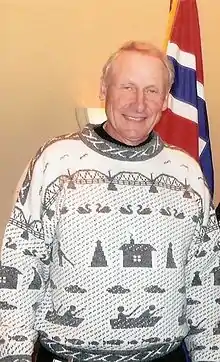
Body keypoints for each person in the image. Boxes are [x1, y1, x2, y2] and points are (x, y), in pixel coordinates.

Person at [0, 40, 220, 362]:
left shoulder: (187, 172)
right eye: (127, 87)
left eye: (152, 91)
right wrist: (13, 355)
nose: (139, 103)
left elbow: (207, 276)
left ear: (164, 102)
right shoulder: (55, 161)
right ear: (104, 88)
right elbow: (19, 264)